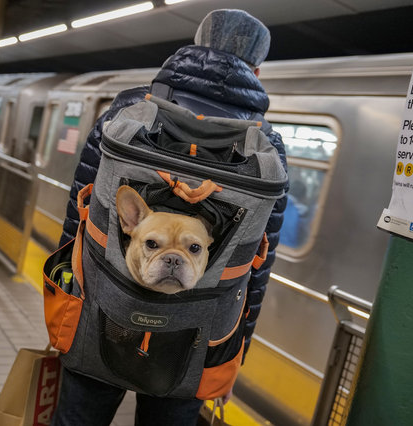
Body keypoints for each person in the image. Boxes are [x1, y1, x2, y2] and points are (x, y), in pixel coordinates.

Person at [52, 9, 287, 425]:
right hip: (197, 344)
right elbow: (256, 265)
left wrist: (64, 304)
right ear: (256, 67)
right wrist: (234, 356)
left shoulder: (130, 109)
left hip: (98, 315)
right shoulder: (264, 145)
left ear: (197, 45)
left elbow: (81, 214)